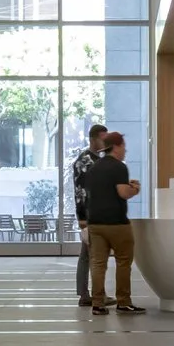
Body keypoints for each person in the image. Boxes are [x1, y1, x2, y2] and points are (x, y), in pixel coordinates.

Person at [83, 131, 143, 315]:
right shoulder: (119, 167)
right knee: (123, 262)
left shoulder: (93, 168)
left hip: (95, 223)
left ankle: (98, 304)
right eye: (123, 146)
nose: (125, 150)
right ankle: (123, 302)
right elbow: (123, 193)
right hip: (117, 224)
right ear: (116, 147)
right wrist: (135, 188)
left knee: (98, 264)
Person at [69, 122, 108, 306]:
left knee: (90, 254)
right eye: (103, 138)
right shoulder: (84, 161)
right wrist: (82, 217)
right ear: (93, 139)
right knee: (92, 255)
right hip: (90, 214)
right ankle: (89, 294)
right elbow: (79, 191)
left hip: (98, 212)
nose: (105, 142)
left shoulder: (98, 160)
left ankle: (87, 294)